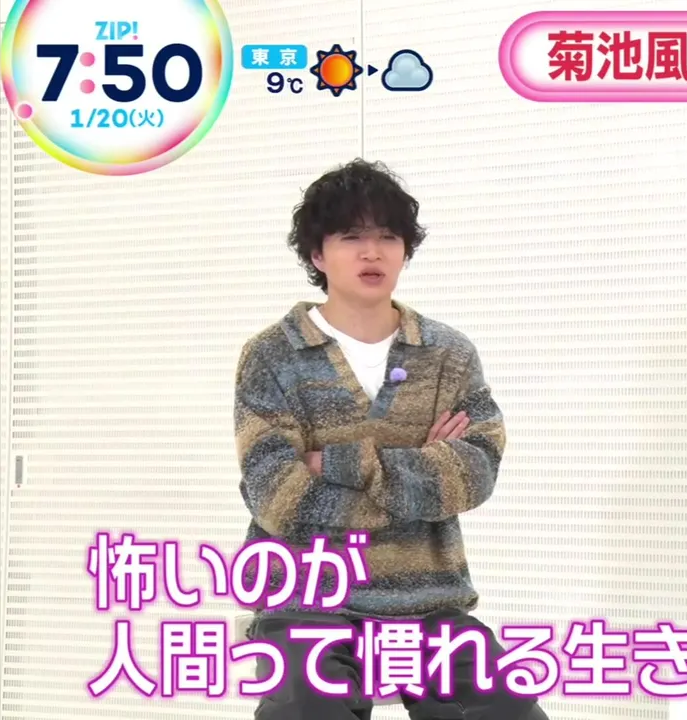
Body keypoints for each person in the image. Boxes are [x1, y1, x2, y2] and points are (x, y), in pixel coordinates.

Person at [233, 159, 548, 719]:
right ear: (317, 254)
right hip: (308, 602)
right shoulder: (272, 356)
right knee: (307, 710)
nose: (371, 253)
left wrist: (336, 464)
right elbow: (278, 497)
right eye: (351, 237)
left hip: (429, 600)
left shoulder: (448, 355)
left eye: (387, 237)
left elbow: (475, 473)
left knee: (508, 710)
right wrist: (420, 471)